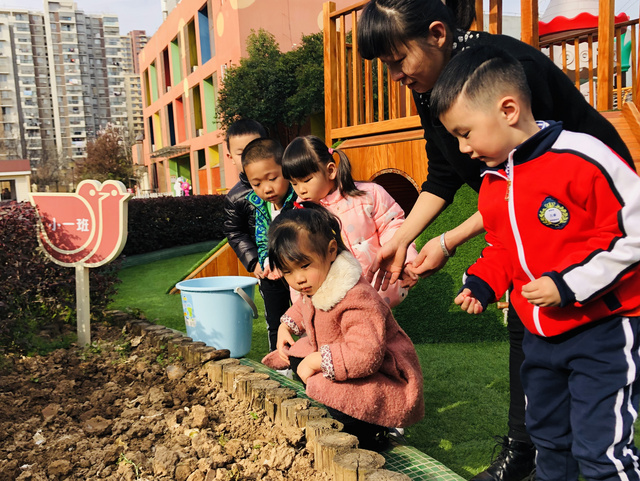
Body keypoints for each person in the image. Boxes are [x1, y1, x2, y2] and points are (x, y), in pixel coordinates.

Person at [357, 1, 636, 479]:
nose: (395, 75)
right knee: (537, 352)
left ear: (438, 34)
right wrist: (403, 239)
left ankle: (558, 449)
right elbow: (450, 178)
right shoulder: (434, 90)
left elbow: (529, 186)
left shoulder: (508, 73)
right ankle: (531, 449)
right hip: (531, 230)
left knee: (597, 421)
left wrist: (451, 240)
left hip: (583, 231)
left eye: (398, 60)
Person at [431, 44, 640, 481]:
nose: (462, 148)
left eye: (465, 133)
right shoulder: (495, 181)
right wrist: (483, 282)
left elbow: (632, 234)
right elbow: (502, 246)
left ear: (508, 110)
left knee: (600, 449)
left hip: (601, 330)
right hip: (539, 337)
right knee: (549, 443)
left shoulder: (584, 156)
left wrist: (567, 285)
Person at [261, 204, 425, 451]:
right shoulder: (319, 281)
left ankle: (369, 431)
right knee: (295, 356)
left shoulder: (357, 298)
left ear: (331, 251)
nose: (298, 279)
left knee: (323, 384)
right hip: (343, 357)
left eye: (304, 266)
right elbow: (307, 305)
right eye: (288, 272)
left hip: (384, 375)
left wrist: (317, 361)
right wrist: (286, 325)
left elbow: (366, 355)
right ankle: (339, 408)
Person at [281, 135, 418, 307]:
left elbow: (393, 226)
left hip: (380, 288)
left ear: (331, 171)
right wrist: (300, 306)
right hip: (337, 301)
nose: (301, 190)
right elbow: (297, 261)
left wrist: (406, 260)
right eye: (294, 183)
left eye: (306, 180)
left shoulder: (369, 194)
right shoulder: (300, 217)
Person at [222, 119, 289, 352]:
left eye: (256, 146)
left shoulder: (287, 184)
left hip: (296, 263)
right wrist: (253, 262)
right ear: (230, 156)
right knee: (275, 317)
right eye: (242, 153)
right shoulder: (236, 197)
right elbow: (235, 232)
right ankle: (279, 361)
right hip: (267, 269)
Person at [241, 137, 296, 352]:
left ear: (286, 170)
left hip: (297, 271)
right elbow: (262, 238)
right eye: (257, 184)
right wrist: (265, 262)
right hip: (272, 276)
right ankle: (279, 362)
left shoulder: (299, 199)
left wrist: (284, 263)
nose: (266, 188)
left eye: (272, 178)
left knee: (308, 320)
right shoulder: (261, 206)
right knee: (276, 322)